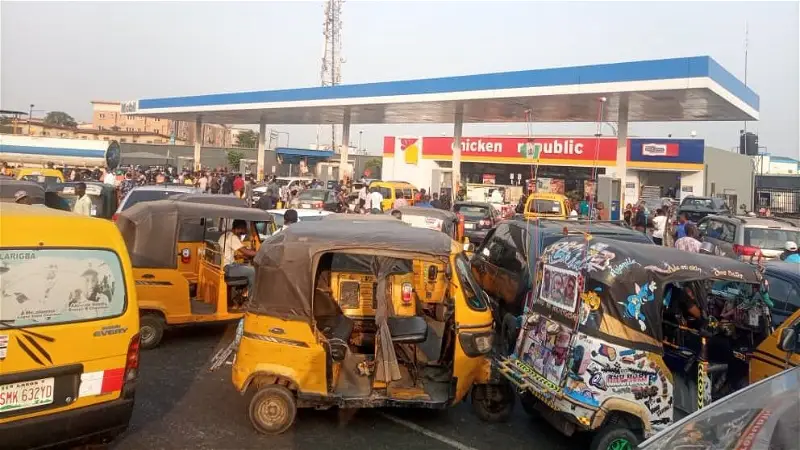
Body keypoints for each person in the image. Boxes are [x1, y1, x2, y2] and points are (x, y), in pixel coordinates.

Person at [218, 220, 257, 294]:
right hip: (227, 268)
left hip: (226, 266)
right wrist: (260, 253)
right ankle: (252, 298)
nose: (244, 233)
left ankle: (243, 292)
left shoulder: (225, 235)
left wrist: (240, 256)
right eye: (244, 230)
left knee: (248, 266)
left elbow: (227, 255)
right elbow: (247, 252)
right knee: (253, 271)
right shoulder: (232, 237)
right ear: (239, 229)